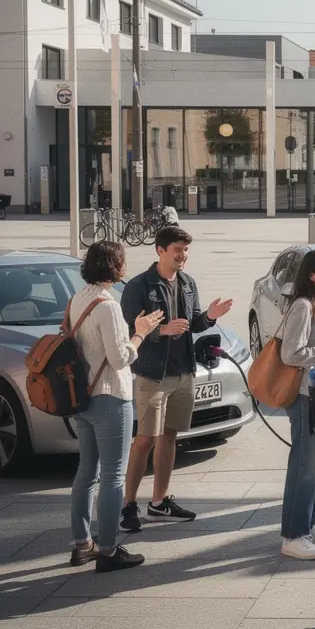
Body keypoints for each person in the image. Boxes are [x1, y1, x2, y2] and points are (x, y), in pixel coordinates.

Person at [119, 226, 232, 531]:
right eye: (177, 250)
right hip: (153, 375)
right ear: (160, 250)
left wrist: (210, 316)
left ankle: (158, 503)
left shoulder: (188, 283)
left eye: (185, 250)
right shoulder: (140, 286)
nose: (183, 256)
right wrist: (161, 331)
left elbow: (193, 324)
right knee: (144, 440)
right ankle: (128, 506)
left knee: (170, 437)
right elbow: (130, 329)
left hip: (184, 373)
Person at [68, 242, 163, 572]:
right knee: (112, 477)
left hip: (83, 397)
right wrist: (140, 333)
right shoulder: (107, 306)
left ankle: (82, 544)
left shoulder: (78, 298)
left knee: (86, 471)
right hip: (110, 396)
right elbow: (121, 358)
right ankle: (108, 551)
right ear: (115, 267)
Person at [278, 249, 315, 560]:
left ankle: (309, 524)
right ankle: (293, 534)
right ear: (311, 274)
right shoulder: (302, 306)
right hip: (303, 397)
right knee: (303, 466)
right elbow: (291, 354)